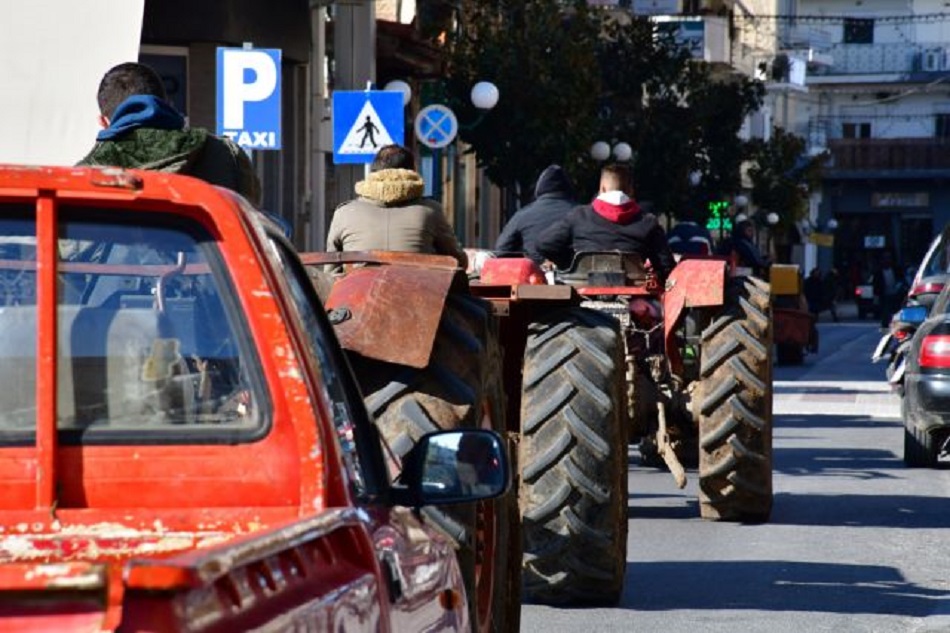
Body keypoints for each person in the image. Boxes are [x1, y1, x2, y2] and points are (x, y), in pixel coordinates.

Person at [77, 62, 261, 207]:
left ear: (104, 122)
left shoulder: (84, 176)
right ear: (167, 105)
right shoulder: (226, 154)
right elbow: (251, 219)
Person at [326, 144, 467, 268]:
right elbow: (458, 261)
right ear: (413, 173)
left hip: (356, 295)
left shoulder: (344, 213)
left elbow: (331, 270)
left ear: (373, 173)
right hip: (419, 294)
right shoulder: (430, 211)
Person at [533, 163, 676, 285]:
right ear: (631, 190)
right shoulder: (648, 222)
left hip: (582, 297)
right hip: (634, 299)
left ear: (601, 189)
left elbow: (543, 244)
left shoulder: (579, 216)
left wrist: (570, 262)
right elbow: (666, 268)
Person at [495, 164, 577, 263]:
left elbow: (501, 250)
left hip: (534, 274)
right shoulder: (582, 214)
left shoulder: (522, 215)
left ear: (539, 189)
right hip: (574, 275)